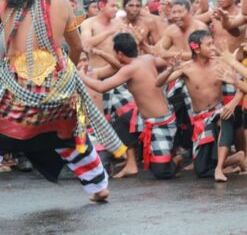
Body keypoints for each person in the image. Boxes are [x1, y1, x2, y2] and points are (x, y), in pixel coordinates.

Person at [0, 0, 126, 202]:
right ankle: (98, 187)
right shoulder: (60, 2)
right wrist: (65, 73)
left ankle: (98, 186)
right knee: (69, 132)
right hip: (57, 83)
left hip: (19, 84)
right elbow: (77, 46)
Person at [80, 32, 182, 179]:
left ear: (119, 53)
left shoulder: (129, 69)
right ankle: (131, 164)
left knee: (161, 173)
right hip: (145, 117)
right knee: (120, 124)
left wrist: (82, 76)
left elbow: (102, 87)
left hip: (160, 122)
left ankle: (175, 159)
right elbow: (163, 62)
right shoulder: (147, 59)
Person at [156, 30, 246, 182]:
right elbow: (158, 83)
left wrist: (232, 103)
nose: (213, 47)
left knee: (225, 116)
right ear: (196, 48)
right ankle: (236, 158)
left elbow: (241, 87)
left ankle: (219, 169)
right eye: (209, 44)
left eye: (213, 43)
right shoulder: (186, 68)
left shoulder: (219, 63)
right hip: (200, 119)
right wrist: (171, 69)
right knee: (202, 170)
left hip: (220, 112)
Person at [80, 0, 123, 67]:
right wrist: (111, 31)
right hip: (96, 73)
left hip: (117, 71)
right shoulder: (88, 23)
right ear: (101, 5)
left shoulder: (119, 22)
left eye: (117, 6)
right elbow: (85, 44)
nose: (116, 9)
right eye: (113, 6)